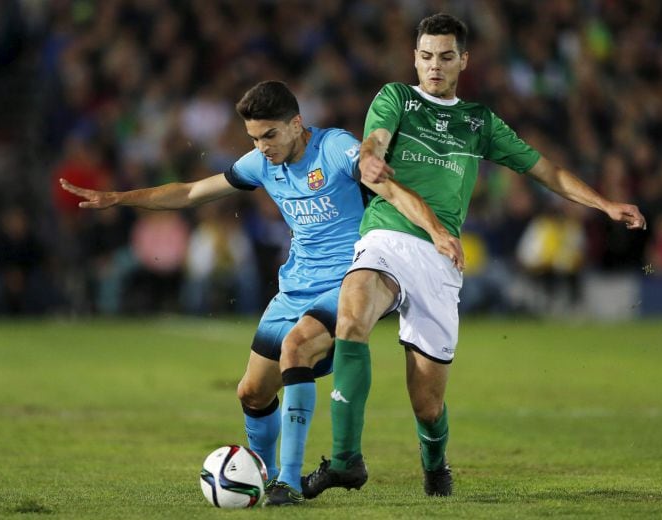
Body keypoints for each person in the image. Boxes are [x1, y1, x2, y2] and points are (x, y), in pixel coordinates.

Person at [60, 80, 463, 506]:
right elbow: (191, 192)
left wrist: (436, 230)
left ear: (297, 124)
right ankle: (261, 472)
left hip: (351, 280)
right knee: (251, 392)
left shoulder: (337, 149)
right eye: (254, 138)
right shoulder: (260, 163)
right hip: (294, 289)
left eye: (270, 135)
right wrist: (120, 198)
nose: (263, 147)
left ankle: (287, 482)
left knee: (296, 349)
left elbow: (391, 189)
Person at [302, 13, 647, 499]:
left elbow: (544, 169)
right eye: (425, 57)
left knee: (426, 403)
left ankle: (435, 461)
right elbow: (375, 142)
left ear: (464, 60)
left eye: (445, 57)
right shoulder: (395, 98)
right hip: (386, 236)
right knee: (352, 315)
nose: (434, 66)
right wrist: (371, 155)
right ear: (414, 58)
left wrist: (605, 203)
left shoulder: (478, 122)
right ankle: (344, 461)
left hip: (440, 259)